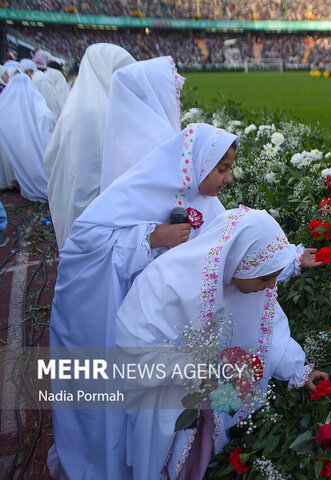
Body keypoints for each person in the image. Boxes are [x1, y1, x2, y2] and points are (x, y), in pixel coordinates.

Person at [48, 123, 238, 480]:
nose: (228, 179)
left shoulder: (210, 205)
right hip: (120, 319)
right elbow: (85, 244)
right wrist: (150, 238)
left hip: (166, 326)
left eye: (229, 169)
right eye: (222, 169)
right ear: (198, 164)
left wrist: (286, 260)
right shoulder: (141, 191)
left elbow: (229, 249)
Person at [115, 207, 327, 479]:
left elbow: (268, 331)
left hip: (210, 402)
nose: (271, 285)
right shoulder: (167, 281)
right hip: (165, 399)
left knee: (205, 451)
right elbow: (133, 346)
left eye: (275, 276)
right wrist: (188, 369)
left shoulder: (247, 284)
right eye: (265, 277)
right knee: (165, 457)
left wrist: (299, 369)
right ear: (236, 260)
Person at [43, 43, 136, 250]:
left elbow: (50, 158)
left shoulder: (76, 108)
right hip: (93, 210)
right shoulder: (97, 113)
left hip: (76, 205)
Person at [100, 55, 185, 191]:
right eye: (174, 95)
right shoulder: (161, 143)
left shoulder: (123, 137)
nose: (179, 104)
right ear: (156, 95)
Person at [0, 72, 52, 202]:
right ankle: (45, 188)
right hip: (35, 139)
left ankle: (29, 188)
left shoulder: (5, 100)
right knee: (38, 163)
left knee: (23, 165)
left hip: (17, 142)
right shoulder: (32, 95)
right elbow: (46, 115)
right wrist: (44, 131)